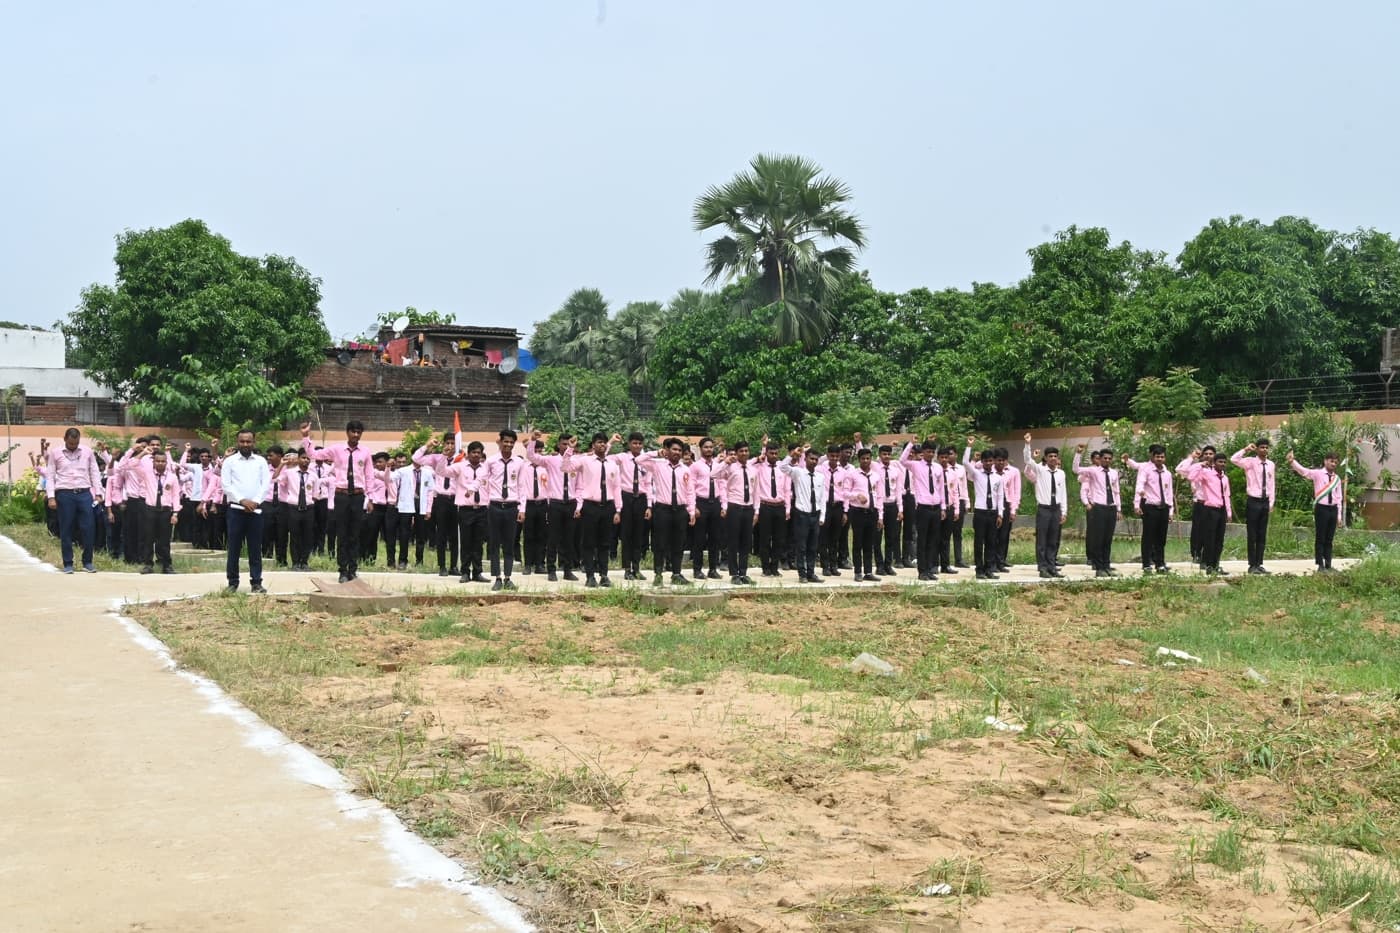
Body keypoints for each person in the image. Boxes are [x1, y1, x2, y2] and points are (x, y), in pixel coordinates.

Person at [303, 421, 375, 583]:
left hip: (358, 495)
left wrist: (370, 498)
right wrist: (306, 436)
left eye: (359, 432)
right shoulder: (336, 449)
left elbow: (369, 475)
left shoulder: (365, 452)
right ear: (347, 432)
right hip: (341, 495)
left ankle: (353, 570)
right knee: (342, 534)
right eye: (353, 432)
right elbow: (313, 455)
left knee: (355, 534)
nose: (356, 435)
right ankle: (342, 570)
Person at [634, 437, 696, 585]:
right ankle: (658, 574)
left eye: (679, 450)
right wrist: (657, 453)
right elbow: (639, 460)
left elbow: (690, 492)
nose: (677, 452)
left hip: (680, 510)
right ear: (667, 450)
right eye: (674, 449)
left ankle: (676, 573)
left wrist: (691, 511)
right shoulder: (658, 465)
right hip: (663, 509)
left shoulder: (685, 469)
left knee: (678, 543)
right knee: (660, 543)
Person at [41, 427, 104, 573]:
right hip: (65, 494)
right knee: (66, 528)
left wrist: (98, 493)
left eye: (75, 444)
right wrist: (51, 497)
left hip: (84, 494)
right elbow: (50, 476)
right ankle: (68, 563)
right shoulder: (55, 453)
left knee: (89, 527)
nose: (73, 447)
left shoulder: (87, 452)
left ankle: (87, 562)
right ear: (65, 439)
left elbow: (94, 472)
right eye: (70, 444)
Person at [565, 433, 623, 587]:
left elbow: (617, 487)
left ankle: (604, 575)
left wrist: (618, 509)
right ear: (593, 445)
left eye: (604, 443)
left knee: (605, 543)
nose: (602, 445)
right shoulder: (585, 461)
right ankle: (590, 576)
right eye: (599, 442)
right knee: (589, 542)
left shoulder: (612, 464)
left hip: (608, 506)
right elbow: (565, 467)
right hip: (590, 506)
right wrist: (570, 449)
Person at [221, 429, 271, 593]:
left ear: (253, 442)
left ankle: (256, 582)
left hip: (255, 512)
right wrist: (243, 500)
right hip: (236, 510)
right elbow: (226, 485)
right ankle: (232, 583)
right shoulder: (230, 462)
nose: (245, 444)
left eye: (248, 441)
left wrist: (255, 502)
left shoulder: (261, 461)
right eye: (242, 441)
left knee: (255, 548)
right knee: (234, 548)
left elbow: (265, 485)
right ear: (238, 442)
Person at [526, 430, 579, 582]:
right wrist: (533, 440)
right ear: (558, 445)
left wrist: (579, 504)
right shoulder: (551, 460)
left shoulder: (575, 461)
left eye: (569, 444)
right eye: (564, 444)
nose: (566, 446)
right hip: (555, 503)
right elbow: (532, 456)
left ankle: (567, 569)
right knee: (553, 538)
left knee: (569, 539)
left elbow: (579, 484)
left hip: (571, 502)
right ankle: (551, 569)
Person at [483, 429, 526, 590]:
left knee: (509, 543)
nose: (508, 445)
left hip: (511, 507)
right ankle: (497, 578)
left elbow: (522, 486)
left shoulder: (519, 462)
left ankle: (508, 577)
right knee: (494, 544)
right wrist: (486, 503)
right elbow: (484, 481)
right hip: (494, 506)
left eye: (511, 442)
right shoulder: (491, 461)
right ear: (500, 442)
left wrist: (522, 509)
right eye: (505, 441)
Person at [899, 438, 948, 581]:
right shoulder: (915, 465)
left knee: (933, 540)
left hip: (936, 507)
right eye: (928, 451)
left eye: (933, 452)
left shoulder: (938, 468)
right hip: (923, 508)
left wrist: (943, 507)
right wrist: (910, 444)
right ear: (923, 452)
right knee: (922, 540)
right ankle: (922, 571)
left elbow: (940, 488)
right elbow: (902, 460)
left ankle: (930, 568)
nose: (930, 454)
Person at [1288, 450, 1343, 573]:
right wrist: (1293, 462)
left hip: (1333, 509)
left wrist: (1339, 515)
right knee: (1321, 537)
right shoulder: (1318, 474)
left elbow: (1339, 497)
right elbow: (1304, 471)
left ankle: (1328, 564)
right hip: (1321, 508)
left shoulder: (1337, 479)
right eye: (1331, 461)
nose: (1333, 464)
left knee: (1329, 538)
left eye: (1335, 462)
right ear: (1325, 461)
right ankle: (1320, 564)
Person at [1177, 449, 1231, 575]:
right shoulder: (1207, 473)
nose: (1222, 464)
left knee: (1219, 539)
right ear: (1214, 463)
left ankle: (1216, 564)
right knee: (1209, 538)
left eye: (1224, 462)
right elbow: (1191, 476)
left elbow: (1227, 495)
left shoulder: (1224, 478)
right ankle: (1208, 564)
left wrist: (1228, 512)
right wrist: (1200, 464)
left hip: (1221, 510)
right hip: (1210, 509)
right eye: (1219, 462)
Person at [413, 433, 460, 577]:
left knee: (454, 535)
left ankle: (453, 566)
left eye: (453, 443)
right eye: (448, 443)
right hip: (441, 499)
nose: (450, 446)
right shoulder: (436, 458)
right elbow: (416, 459)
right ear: (443, 444)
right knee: (441, 533)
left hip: (456, 499)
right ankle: (442, 566)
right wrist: (428, 445)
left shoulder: (461, 459)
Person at [779, 446, 827, 583]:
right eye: (811, 458)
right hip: (802, 514)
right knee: (801, 545)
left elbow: (822, 497)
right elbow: (782, 467)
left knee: (813, 546)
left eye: (816, 459)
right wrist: (792, 455)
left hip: (815, 513)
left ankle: (811, 573)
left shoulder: (820, 477)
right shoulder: (798, 473)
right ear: (805, 459)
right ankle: (802, 574)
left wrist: (822, 516)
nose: (813, 461)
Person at [1124, 444, 1175, 574]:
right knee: (1148, 536)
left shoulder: (1167, 473)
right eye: (1157, 456)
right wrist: (1137, 503)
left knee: (1161, 538)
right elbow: (1139, 484)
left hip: (1163, 507)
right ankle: (1146, 564)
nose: (1160, 459)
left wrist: (1171, 510)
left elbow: (1169, 492)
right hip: (1150, 506)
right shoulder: (1146, 470)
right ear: (1152, 456)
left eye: (1162, 457)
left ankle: (1160, 564)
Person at [1022, 434, 1067, 578]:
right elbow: (1028, 461)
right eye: (1050, 456)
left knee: (1053, 539)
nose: (1053, 458)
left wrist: (1064, 511)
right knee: (1042, 540)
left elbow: (1063, 492)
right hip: (1044, 509)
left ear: (1057, 458)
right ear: (1046, 458)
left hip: (1056, 509)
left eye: (1055, 456)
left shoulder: (1061, 473)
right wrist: (1028, 444)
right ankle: (1042, 568)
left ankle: (1052, 566)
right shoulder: (1040, 470)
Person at [1073, 445, 1122, 577]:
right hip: (1099, 507)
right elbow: (1076, 469)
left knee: (1108, 538)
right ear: (1100, 459)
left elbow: (1116, 491)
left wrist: (1118, 508)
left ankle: (1106, 565)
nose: (1107, 460)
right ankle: (1099, 566)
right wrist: (1078, 454)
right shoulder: (1093, 471)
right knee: (1098, 538)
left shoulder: (1114, 473)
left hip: (1111, 507)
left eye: (1109, 458)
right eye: (1104, 458)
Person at [129, 448, 181, 574]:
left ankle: (166, 565)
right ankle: (147, 564)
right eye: (157, 461)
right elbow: (132, 464)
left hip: (165, 511)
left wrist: (175, 513)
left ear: (166, 462)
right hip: (150, 510)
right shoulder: (147, 473)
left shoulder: (172, 477)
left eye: (163, 461)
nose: (160, 463)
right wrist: (143, 452)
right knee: (148, 538)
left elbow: (176, 496)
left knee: (164, 540)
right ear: (154, 462)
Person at [446, 441, 490, 584]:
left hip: (482, 509)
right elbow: (443, 471)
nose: (476, 455)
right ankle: (465, 572)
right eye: (474, 452)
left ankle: (478, 572)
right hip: (466, 510)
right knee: (466, 542)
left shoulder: (486, 469)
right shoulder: (460, 467)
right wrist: (443, 457)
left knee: (478, 543)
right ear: (469, 453)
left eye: (479, 452)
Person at [1231, 439, 1276, 574]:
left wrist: (1271, 502)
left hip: (1265, 501)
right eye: (1261, 447)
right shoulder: (1250, 462)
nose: (1264, 450)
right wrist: (1246, 449)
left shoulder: (1270, 464)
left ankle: (1259, 563)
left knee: (1262, 534)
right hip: (1253, 501)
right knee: (1252, 534)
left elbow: (1272, 484)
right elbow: (1234, 459)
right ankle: (1252, 564)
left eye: (1266, 447)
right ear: (1257, 449)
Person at [611, 432, 651, 581]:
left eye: (640, 443)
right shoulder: (622, 457)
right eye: (634, 443)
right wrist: (611, 442)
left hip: (641, 498)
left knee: (639, 535)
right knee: (627, 535)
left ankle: (637, 568)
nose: (637, 446)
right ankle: (627, 569)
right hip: (626, 497)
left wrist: (649, 505)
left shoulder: (646, 461)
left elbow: (648, 483)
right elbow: (606, 456)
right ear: (629, 444)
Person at [964, 441, 1005, 580]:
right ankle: (979, 569)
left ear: (993, 461)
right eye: (986, 461)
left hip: (992, 512)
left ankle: (989, 568)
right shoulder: (976, 474)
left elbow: (1000, 497)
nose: (988, 463)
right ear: (982, 462)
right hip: (980, 512)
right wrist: (969, 446)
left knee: (991, 542)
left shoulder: (998, 478)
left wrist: (1000, 514)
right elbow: (965, 462)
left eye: (990, 461)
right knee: (979, 541)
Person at [845, 447, 884, 581]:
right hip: (858, 512)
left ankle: (868, 572)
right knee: (858, 542)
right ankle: (857, 572)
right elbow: (845, 493)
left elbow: (879, 497)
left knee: (869, 543)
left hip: (872, 512)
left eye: (868, 458)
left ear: (871, 459)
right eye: (863, 458)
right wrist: (857, 496)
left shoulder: (876, 476)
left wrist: (880, 516)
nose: (866, 461)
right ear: (859, 459)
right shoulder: (852, 474)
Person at [689, 437, 725, 580]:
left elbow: (722, 485)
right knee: (699, 538)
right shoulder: (695, 466)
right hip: (701, 503)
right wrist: (693, 507)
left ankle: (712, 569)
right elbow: (690, 487)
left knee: (715, 538)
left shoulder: (718, 465)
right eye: (706, 447)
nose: (709, 449)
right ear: (700, 449)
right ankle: (697, 570)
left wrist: (723, 505)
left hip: (715, 503)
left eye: (711, 447)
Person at [754, 441, 790, 577]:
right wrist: (762, 451)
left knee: (779, 539)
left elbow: (787, 489)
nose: (774, 455)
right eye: (771, 453)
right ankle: (765, 568)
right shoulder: (760, 467)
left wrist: (787, 508)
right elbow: (751, 463)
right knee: (764, 538)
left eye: (776, 453)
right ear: (767, 453)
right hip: (765, 506)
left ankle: (775, 567)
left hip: (780, 507)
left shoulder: (782, 467)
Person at [279, 447, 319, 571]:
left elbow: (316, 494)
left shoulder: (313, 476)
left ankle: (304, 562)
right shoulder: (289, 472)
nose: (306, 460)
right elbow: (275, 479)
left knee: (307, 536)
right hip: (293, 507)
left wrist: (310, 504)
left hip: (308, 508)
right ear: (298, 459)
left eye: (308, 458)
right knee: (295, 536)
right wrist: (282, 465)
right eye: (303, 458)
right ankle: (295, 562)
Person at [391, 452, 433, 570]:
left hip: (421, 504)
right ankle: (403, 560)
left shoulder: (428, 472)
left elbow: (430, 491)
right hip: (406, 504)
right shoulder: (404, 470)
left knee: (421, 534)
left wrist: (428, 509)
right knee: (404, 533)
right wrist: (389, 467)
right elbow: (390, 478)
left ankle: (419, 560)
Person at [873, 445, 905, 576]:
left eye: (888, 454)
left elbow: (898, 490)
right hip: (879, 506)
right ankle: (879, 565)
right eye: (884, 454)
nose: (886, 456)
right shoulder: (874, 467)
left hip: (892, 506)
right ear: (879, 455)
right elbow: (862, 453)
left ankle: (888, 564)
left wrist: (900, 509)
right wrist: (858, 442)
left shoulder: (895, 470)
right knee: (877, 537)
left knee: (891, 537)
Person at [993, 447, 1020, 573]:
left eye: (1003, 460)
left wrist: (1013, 509)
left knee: (1004, 535)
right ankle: (991, 561)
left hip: (1006, 502)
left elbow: (1016, 491)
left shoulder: (1013, 471)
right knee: (993, 534)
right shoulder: (990, 471)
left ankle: (1001, 561)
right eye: (998, 460)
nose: (1001, 463)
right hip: (993, 504)